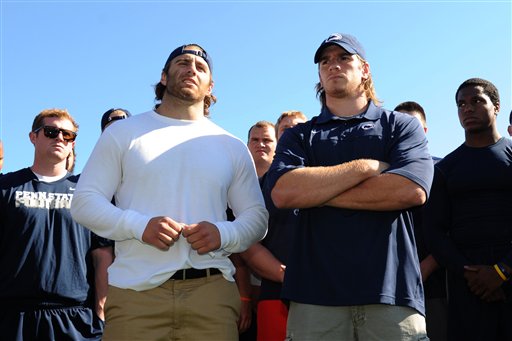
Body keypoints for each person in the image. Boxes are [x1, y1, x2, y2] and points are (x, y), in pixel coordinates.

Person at [71, 43, 268, 341]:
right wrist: (140, 226)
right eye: (182, 63)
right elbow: (84, 202)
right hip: (135, 295)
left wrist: (223, 234)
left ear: (210, 85)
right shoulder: (123, 133)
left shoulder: (232, 146)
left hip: (211, 294)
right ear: (164, 76)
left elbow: (257, 218)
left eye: (201, 67)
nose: (191, 69)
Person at [265, 33, 433, 340]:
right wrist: (366, 168)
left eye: (344, 58)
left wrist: (317, 191)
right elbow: (284, 193)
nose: (334, 66)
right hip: (314, 297)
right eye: (326, 61)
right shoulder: (299, 135)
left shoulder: (401, 125)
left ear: (365, 69)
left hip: (391, 294)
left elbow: (409, 190)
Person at [0, 108, 103, 340]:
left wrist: (102, 310)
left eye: (68, 135)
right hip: (14, 316)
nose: (60, 138)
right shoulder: (6, 187)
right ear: (33, 137)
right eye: (51, 131)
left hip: (76, 317)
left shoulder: (89, 191)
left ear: (73, 144)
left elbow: (102, 253)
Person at [424, 78, 512, 341]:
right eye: (461, 104)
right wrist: (471, 275)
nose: (467, 108)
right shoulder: (445, 169)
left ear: (496, 107)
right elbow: (434, 231)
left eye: (476, 101)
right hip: (467, 286)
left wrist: (501, 271)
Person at [242, 110, 307, 341]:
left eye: (299, 126)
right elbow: (248, 245)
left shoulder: (332, 174)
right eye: (285, 129)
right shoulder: (253, 190)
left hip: (327, 295)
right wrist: (286, 275)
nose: (293, 131)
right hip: (275, 295)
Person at [394, 101, 447, 341]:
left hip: (437, 286)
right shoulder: (381, 173)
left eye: (412, 125)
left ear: (424, 131)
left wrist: (427, 266)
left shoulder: (444, 169)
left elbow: (454, 226)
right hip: (391, 289)